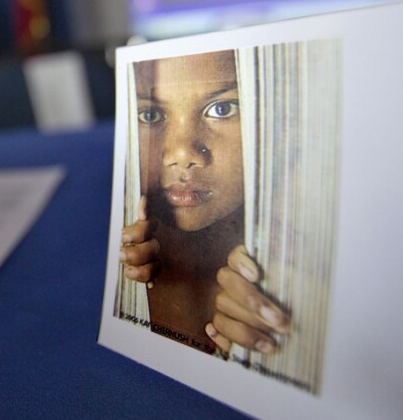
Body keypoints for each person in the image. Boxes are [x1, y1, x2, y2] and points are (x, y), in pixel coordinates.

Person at [119, 50, 291, 356]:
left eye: (222, 108)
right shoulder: (121, 259)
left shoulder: (293, 264)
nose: (181, 154)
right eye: (150, 115)